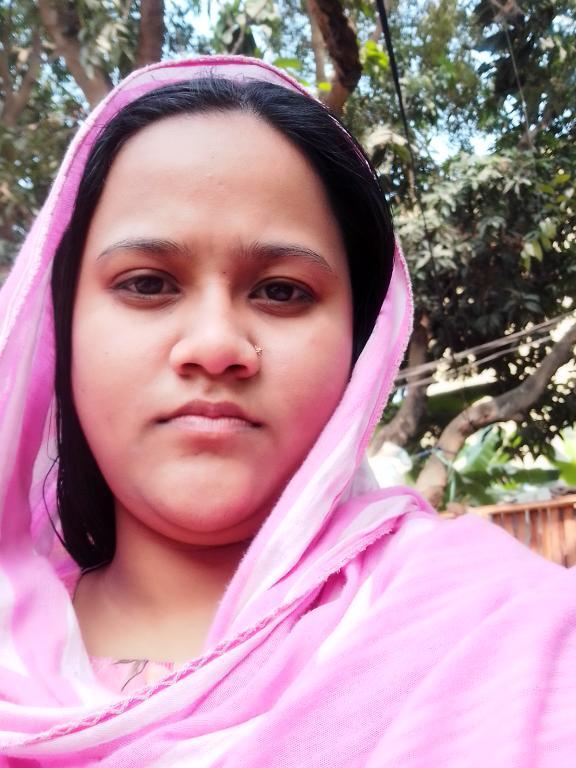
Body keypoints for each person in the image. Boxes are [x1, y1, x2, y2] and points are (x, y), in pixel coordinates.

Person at [0, 56, 574, 767]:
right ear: (60, 327)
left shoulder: (502, 634)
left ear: (360, 346)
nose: (216, 346)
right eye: (147, 283)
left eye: (281, 291)